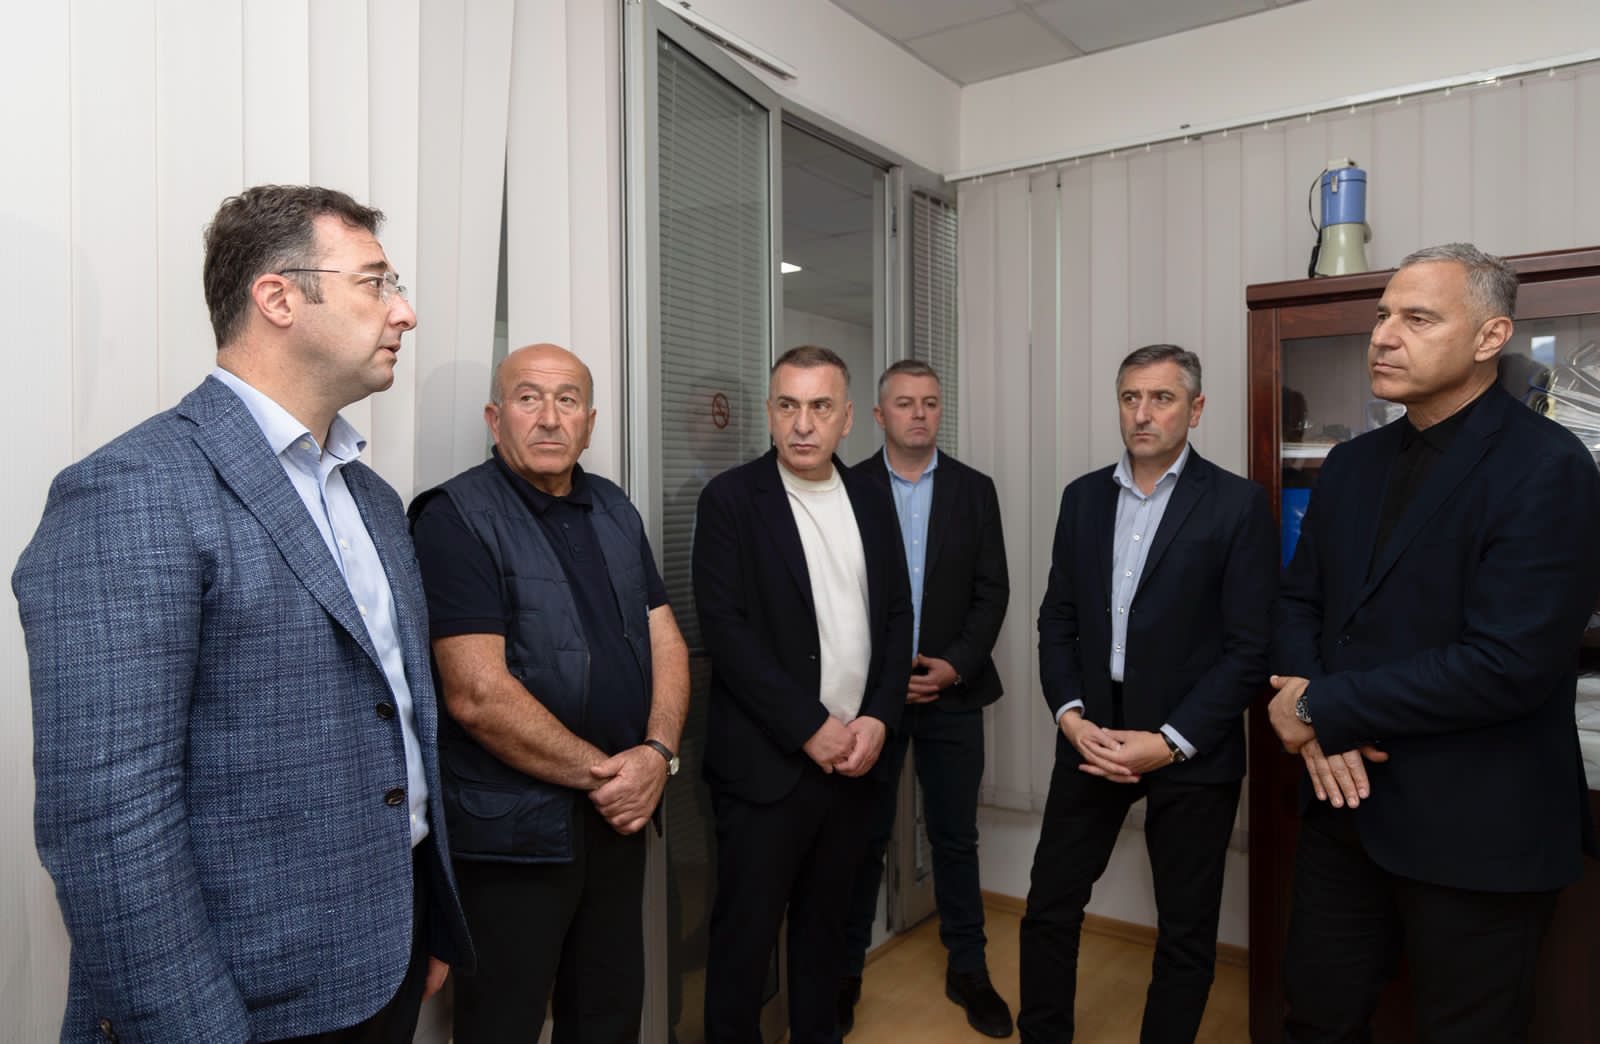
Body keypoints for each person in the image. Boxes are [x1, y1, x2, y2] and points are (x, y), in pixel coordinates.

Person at [13, 184, 472, 1043]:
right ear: (278, 298)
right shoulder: (132, 491)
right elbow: (107, 826)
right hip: (243, 1000)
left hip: (389, 952)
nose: (404, 311)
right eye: (376, 282)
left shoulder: (372, 498)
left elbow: (398, 722)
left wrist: (428, 919)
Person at [1268, 243, 1600, 1042]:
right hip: (1344, 809)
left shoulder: (1548, 466)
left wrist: (1317, 708)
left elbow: (1509, 663)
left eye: (1417, 319)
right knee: (1315, 1019)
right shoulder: (1352, 463)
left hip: (1477, 828)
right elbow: (1299, 600)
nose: (1384, 335)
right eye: (1383, 315)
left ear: (1491, 337)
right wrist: (1313, 714)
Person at [408, 342, 690, 1043]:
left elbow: (667, 641)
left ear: (589, 423)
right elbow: (477, 695)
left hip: (617, 825)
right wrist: (613, 775)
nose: (549, 417)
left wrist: (657, 753)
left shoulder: (614, 508)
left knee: (608, 1016)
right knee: (502, 1024)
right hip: (515, 836)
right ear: (495, 418)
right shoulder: (454, 516)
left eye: (568, 400)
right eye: (528, 398)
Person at [1021, 344, 1277, 1043]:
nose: (1142, 413)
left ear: (1195, 408)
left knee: (1186, 931)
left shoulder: (1237, 505)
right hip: (1093, 735)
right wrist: (1070, 718)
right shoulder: (1082, 498)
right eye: (1130, 397)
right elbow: (1058, 620)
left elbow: (1249, 649)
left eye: (1161, 398)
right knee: (1049, 907)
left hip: (1191, 744)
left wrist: (1170, 742)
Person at [693, 344, 913, 1044]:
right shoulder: (731, 500)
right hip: (768, 768)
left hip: (855, 763)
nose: (803, 424)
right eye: (788, 406)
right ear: (769, 412)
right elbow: (725, 629)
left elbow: (897, 615)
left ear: (848, 418)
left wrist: (879, 717)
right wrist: (808, 726)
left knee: (828, 933)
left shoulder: (872, 497)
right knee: (745, 938)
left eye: (820, 407)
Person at [840, 360, 1013, 1037]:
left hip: (952, 693)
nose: (919, 413)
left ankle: (968, 969)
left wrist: (955, 666)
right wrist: (882, 675)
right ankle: (845, 973)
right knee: (863, 838)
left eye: (931, 403)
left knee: (955, 838)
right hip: (870, 698)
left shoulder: (975, 489)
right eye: (905, 403)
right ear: (878, 415)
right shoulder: (846, 487)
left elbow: (992, 590)